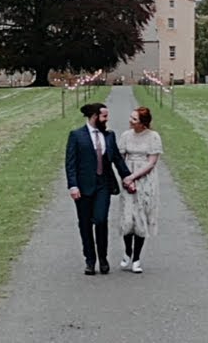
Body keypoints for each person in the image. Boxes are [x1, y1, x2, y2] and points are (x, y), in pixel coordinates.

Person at [65, 102, 133, 275]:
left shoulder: (109, 136)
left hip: (103, 184)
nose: (107, 119)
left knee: (101, 221)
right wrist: (73, 185)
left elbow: (117, 159)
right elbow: (70, 164)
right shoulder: (76, 136)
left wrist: (128, 177)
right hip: (83, 187)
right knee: (85, 224)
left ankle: (103, 257)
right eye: (104, 116)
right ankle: (90, 260)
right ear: (95, 116)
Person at [118, 106, 163, 273]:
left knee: (140, 218)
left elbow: (152, 162)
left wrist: (134, 176)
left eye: (134, 119)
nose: (131, 121)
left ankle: (136, 258)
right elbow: (120, 159)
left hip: (145, 179)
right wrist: (126, 177)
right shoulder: (125, 136)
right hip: (127, 177)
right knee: (127, 218)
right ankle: (127, 252)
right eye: (131, 117)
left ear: (143, 123)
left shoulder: (153, 137)